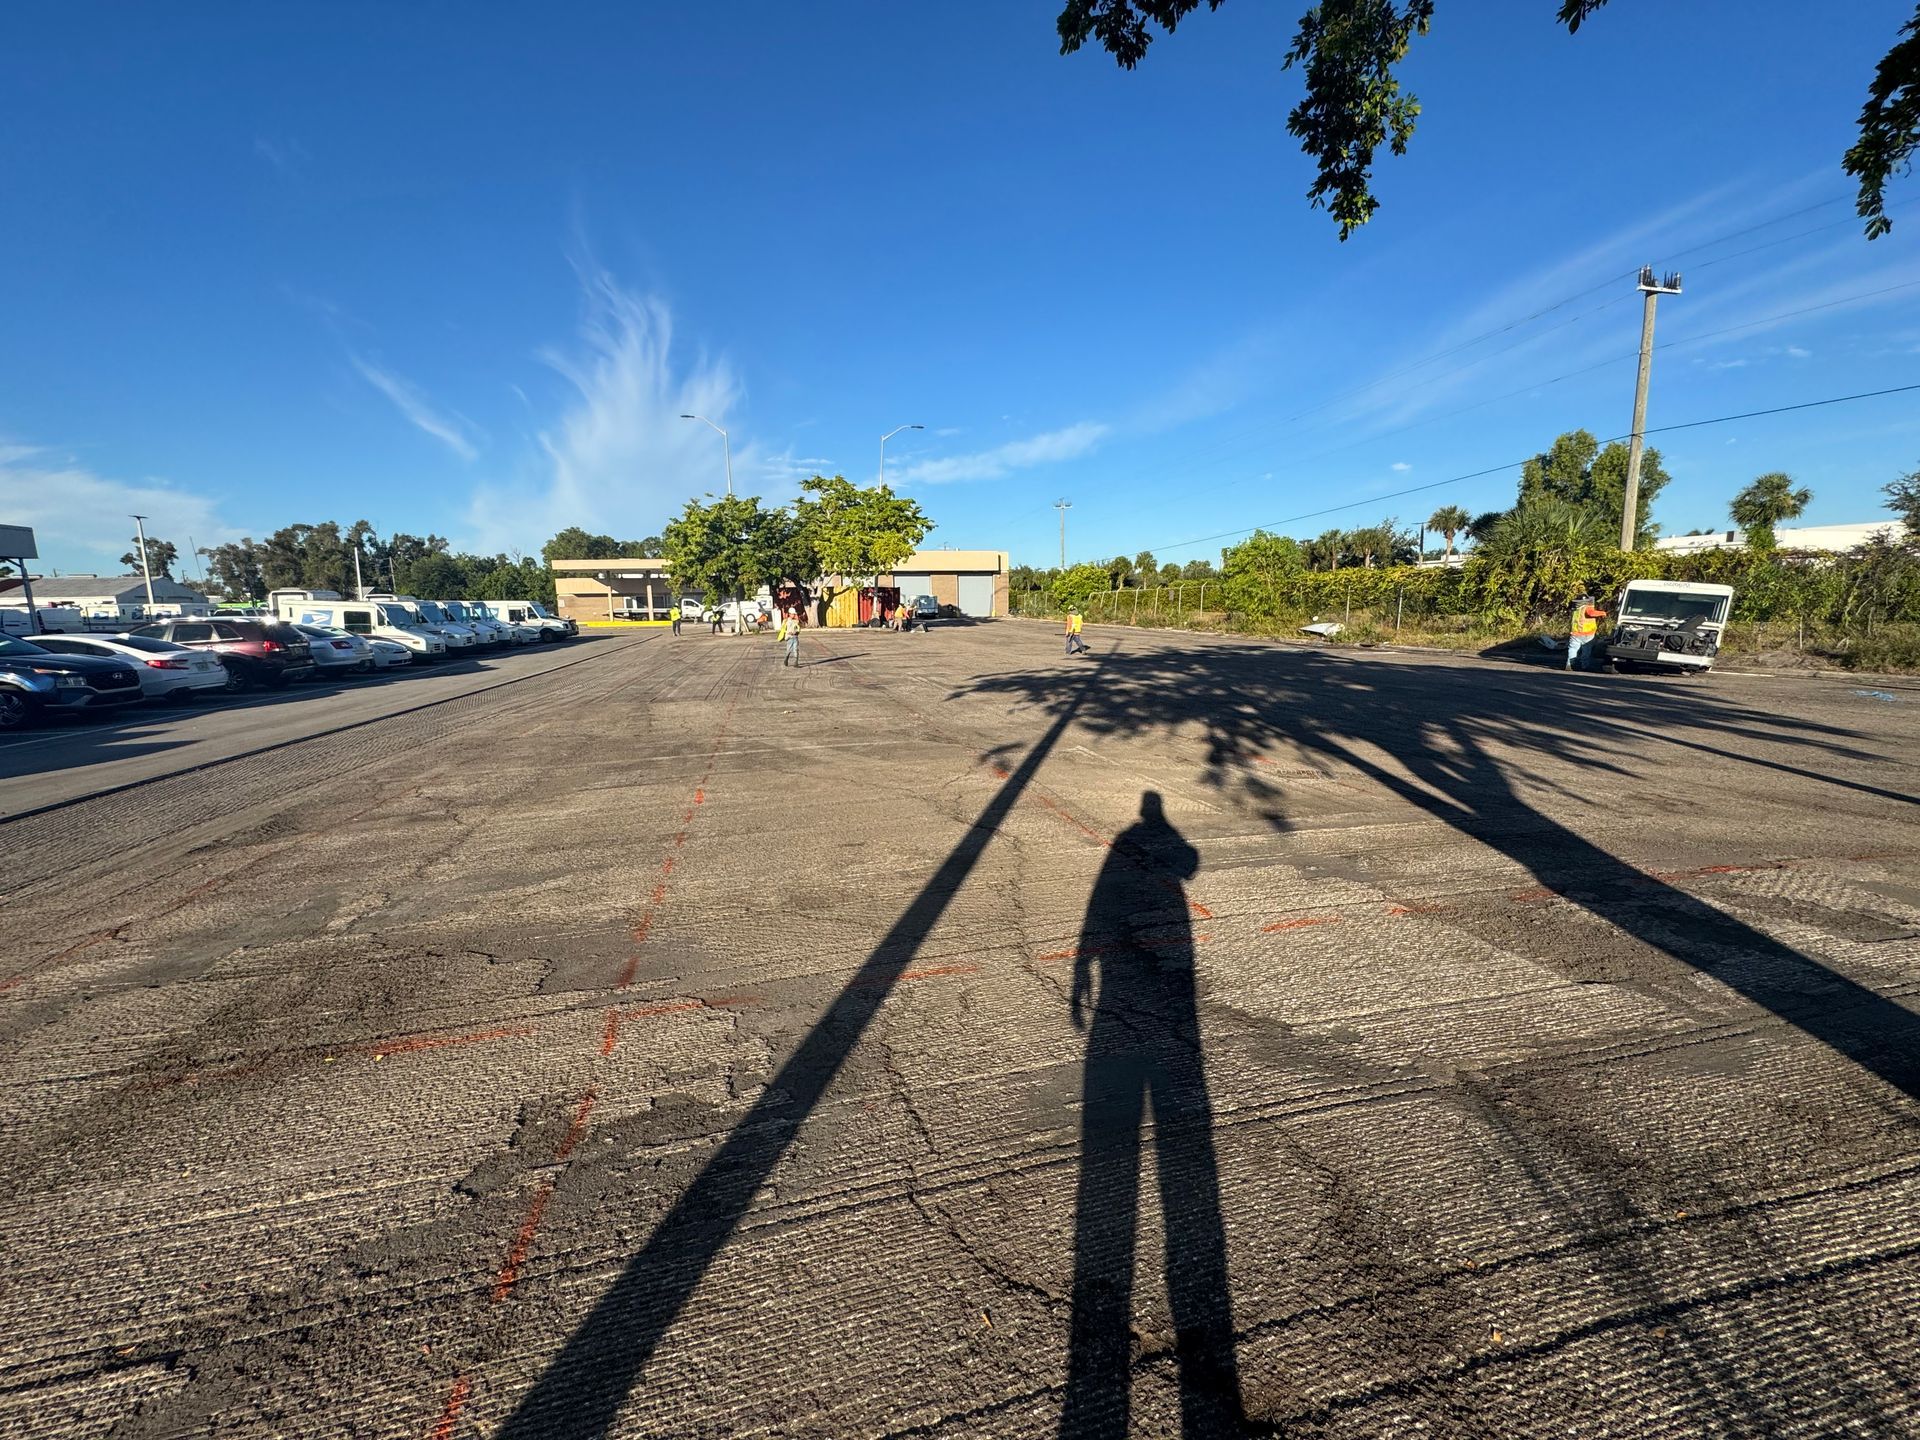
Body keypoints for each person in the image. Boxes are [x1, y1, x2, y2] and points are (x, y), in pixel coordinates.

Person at [1566, 593, 1606, 672]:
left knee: (1573, 649)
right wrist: (1603, 613)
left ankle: (1569, 664)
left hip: (1575, 633)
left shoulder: (1576, 609)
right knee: (1586, 651)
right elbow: (1591, 613)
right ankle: (1584, 666)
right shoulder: (1587, 607)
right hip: (1587, 633)